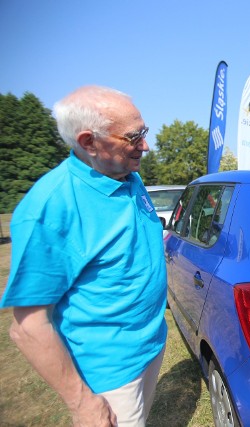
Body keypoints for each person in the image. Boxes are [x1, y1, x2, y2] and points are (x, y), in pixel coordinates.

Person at [1, 85, 167, 426]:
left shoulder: (126, 176)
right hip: (108, 375)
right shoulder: (50, 208)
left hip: (150, 347)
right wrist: (82, 404)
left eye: (144, 132)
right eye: (134, 136)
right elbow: (28, 326)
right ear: (89, 142)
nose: (146, 145)